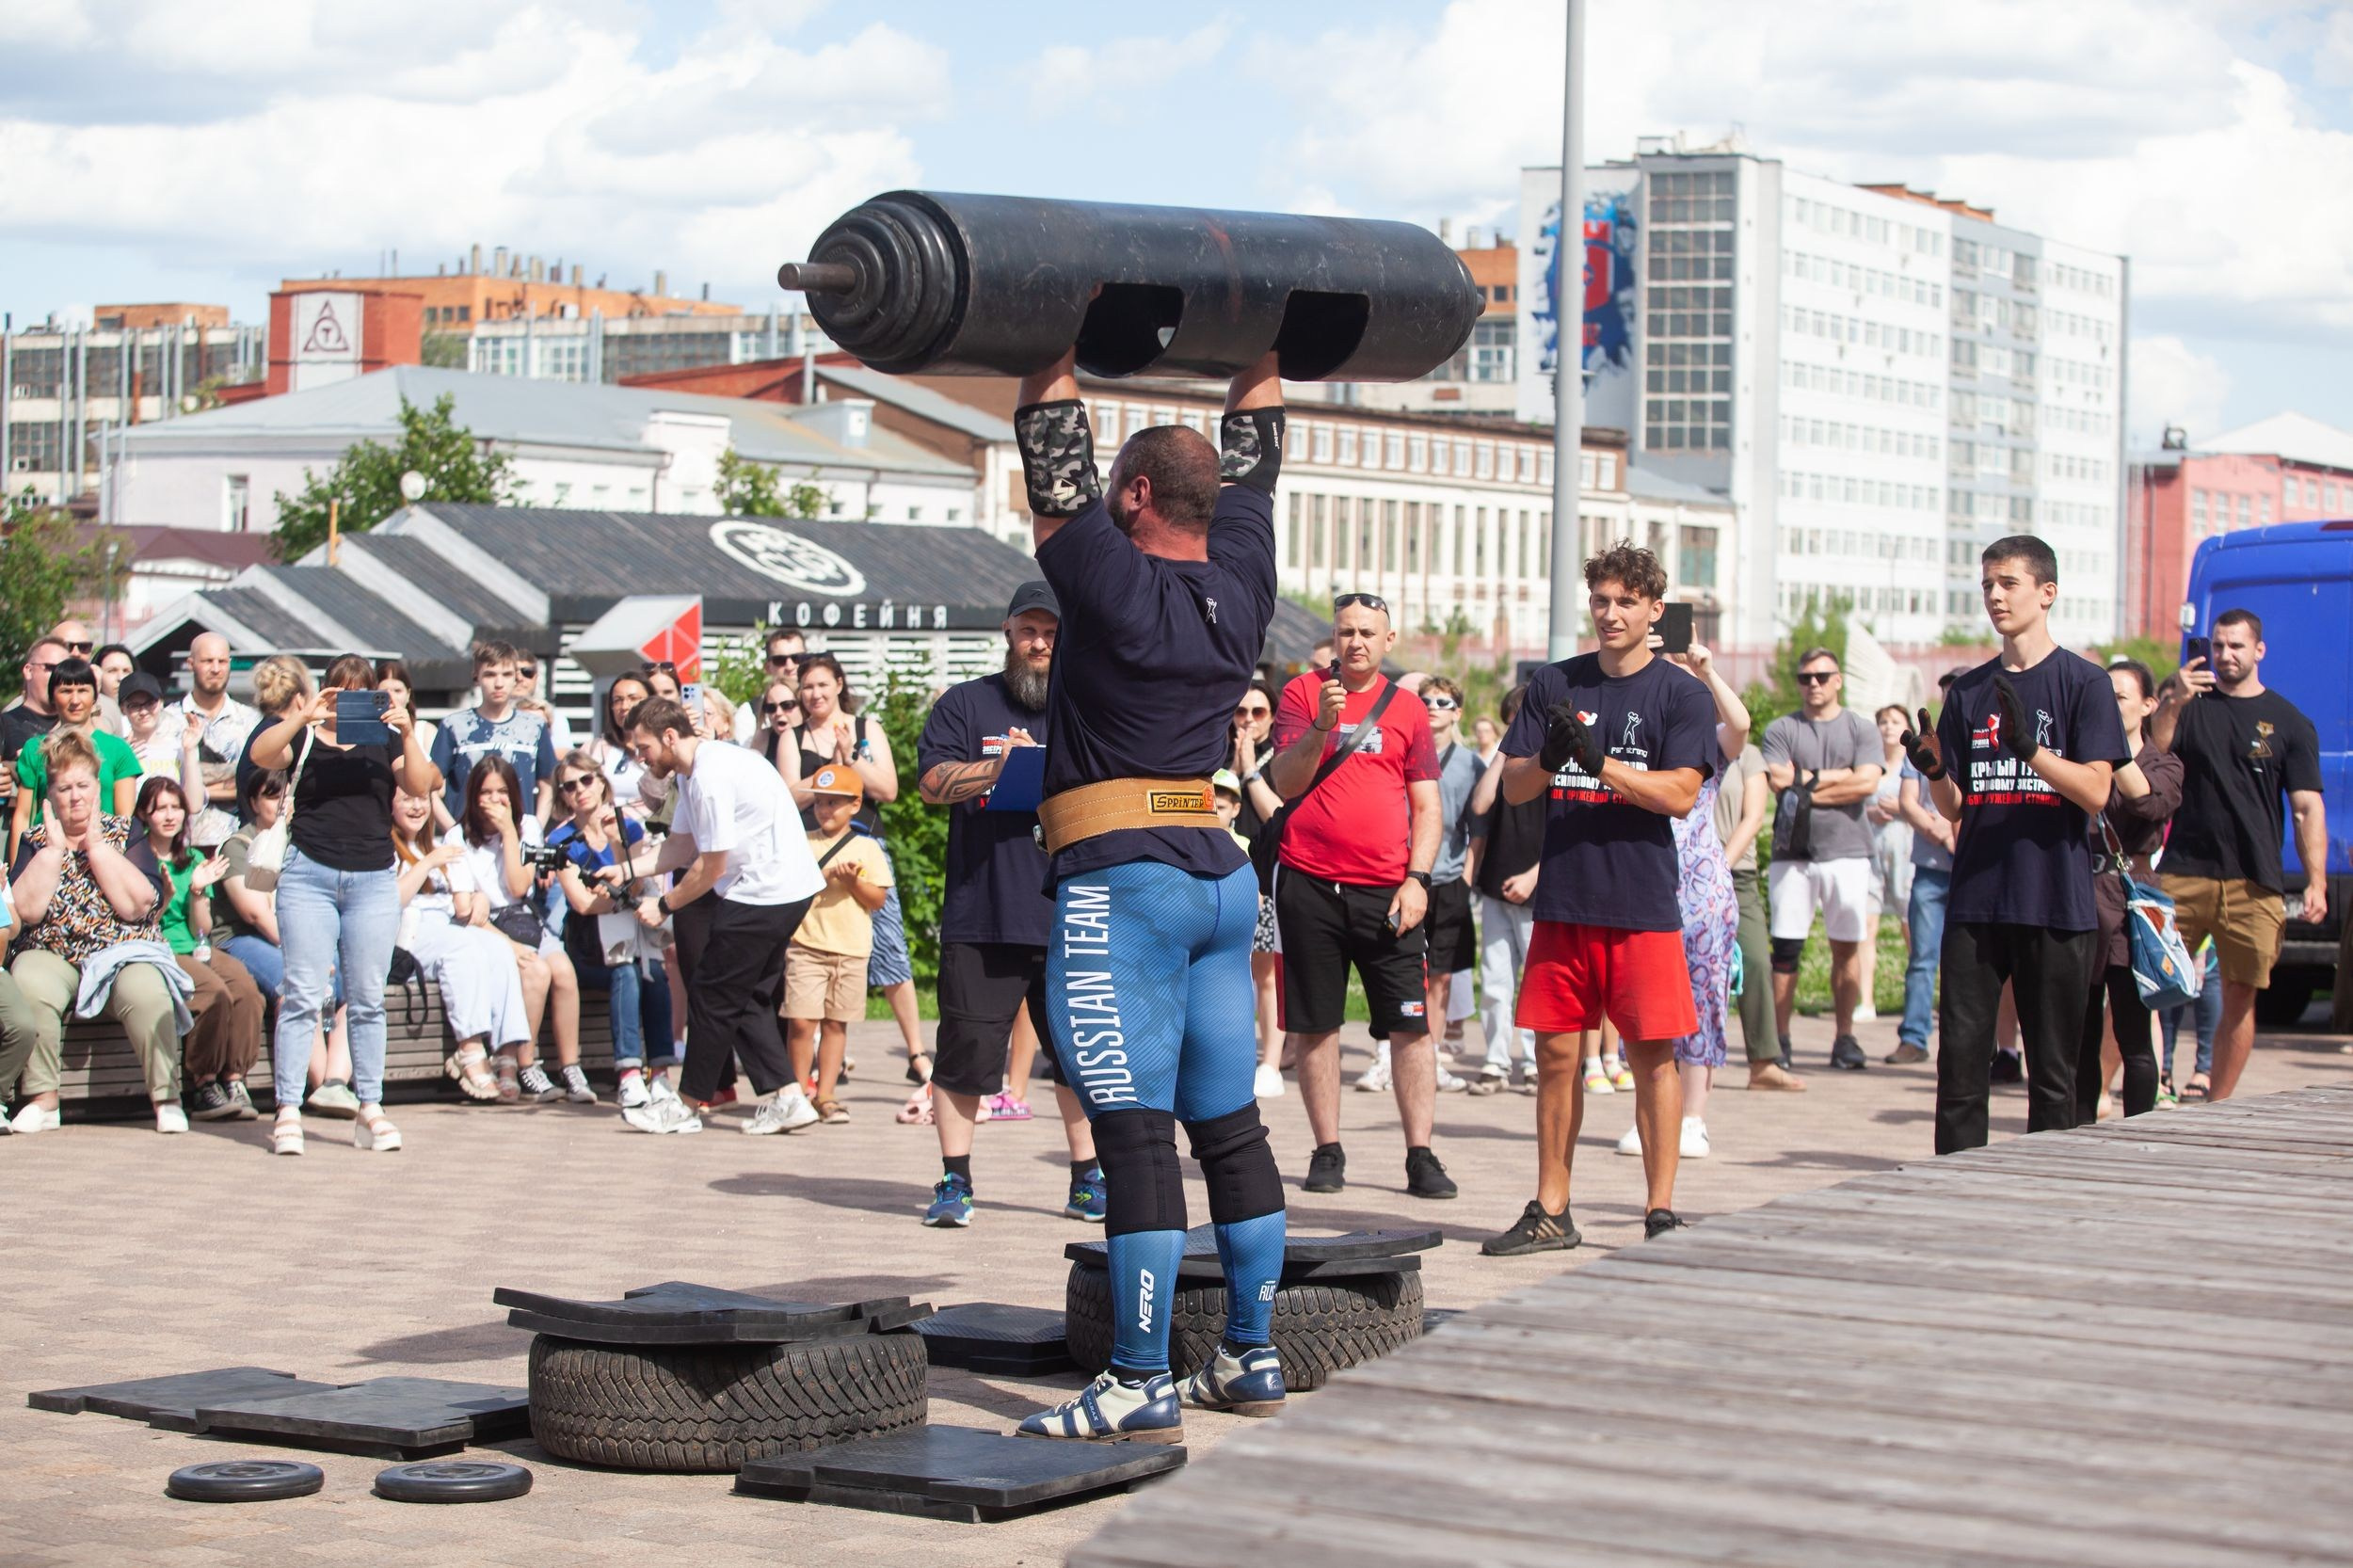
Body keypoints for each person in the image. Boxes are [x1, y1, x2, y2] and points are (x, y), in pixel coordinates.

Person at [1010, 345, 1290, 1442]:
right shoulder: (1245, 577)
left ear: (1135, 496)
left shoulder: (1114, 580)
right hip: (1217, 877)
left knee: (1131, 1137)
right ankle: (1251, 1353)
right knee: (1225, 1130)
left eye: (1114, 487)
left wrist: (1045, 339)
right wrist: (1263, 348)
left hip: (1122, 888)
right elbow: (1260, 462)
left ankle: (1136, 1377)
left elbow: (1051, 461)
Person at [1481, 543, 1716, 1256]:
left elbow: (1679, 794)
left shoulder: (1681, 694)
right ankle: (1552, 1207)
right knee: (1555, 1058)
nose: (1610, 614)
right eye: (1601, 601)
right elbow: (1515, 787)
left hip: (1641, 906)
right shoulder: (1557, 683)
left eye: (1625, 603)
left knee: (1651, 1060)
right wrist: (1551, 759)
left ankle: (1660, 1210)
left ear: (1654, 610)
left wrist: (1599, 763)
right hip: (1564, 905)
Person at [1901, 536, 2127, 1153]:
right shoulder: (1970, 691)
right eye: (1987, 586)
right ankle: (1956, 1192)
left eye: (2008, 584)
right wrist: (1936, 772)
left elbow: (2097, 792)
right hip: (1976, 900)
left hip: (2055, 901)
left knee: (2054, 1076)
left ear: (2047, 593)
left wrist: (2032, 752)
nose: (1995, 596)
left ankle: (2046, 1196)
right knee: (1960, 1073)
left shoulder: (2085, 684)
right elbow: (1956, 808)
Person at [913, 581, 1105, 1226]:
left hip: (1072, 911)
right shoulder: (967, 705)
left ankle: (1087, 1179)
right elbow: (933, 784)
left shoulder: (1087, 709)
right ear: (1007, 633)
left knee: (1081, 1055)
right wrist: (998, 769)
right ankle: (954, 1182)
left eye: (1051, 632)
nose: (1040, 642)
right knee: (965, 1054)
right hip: (983, 912)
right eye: (1029, 631)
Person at [1265, 594, 1450, 1201]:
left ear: (1389, 639)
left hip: (1388, 890)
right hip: (1310, 882)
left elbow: (1426, 804)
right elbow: (1286, 783)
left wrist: (1418, 879)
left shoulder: (1408, 711)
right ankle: (1327, 1149)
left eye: (1368, 633)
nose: (1356, 644)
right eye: (1346, 632)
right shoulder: (1302, 694)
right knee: (1316, 1026)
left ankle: (1420, 1153)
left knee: (1410, 1027)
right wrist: (1322, 723)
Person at [248, 654, 440, 1157]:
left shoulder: (384, 737)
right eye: (341, 691)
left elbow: (420, 785)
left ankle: (370, 1107)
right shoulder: (306, 732)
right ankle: (288, 1108)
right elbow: (262, 756)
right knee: (303, 994)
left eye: (362, 692)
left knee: (367, 998)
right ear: (326, 691)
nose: (348, 701)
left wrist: (407, 732)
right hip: (308, 873)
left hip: (373, 878)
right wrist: (303, 715)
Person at [616, 695, 823, 1136]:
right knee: (742, 995)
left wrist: (665, 904)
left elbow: (710, 867)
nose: (640, 757)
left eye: (644, 747)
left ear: (670, 736)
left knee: (710, 992)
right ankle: (787, 1098)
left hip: (766, 891)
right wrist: (623, 870)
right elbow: (679, 848)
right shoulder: (696, 772)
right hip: (780, 888)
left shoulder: (709, 775)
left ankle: (685, 1106)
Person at [2151, 608, 2330, 1101]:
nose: (2225, 655)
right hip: (2183, 873)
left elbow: (2307, 808)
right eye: (2219, 646)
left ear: (2259, 651)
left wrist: (2316, 881)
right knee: (2143, 983)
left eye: (2236, 646)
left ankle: (2217, 1106)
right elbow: (2156, 749)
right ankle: (2111, 1097)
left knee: (2240, 996)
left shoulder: (2291, 723)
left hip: (2254, 880)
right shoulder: (2190, 706)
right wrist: (2173, 700)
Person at [5, 730, 188, 1134]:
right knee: (29, 981)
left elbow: (138, 904)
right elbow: (27, 913)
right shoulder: (35, 840)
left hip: (120, 950)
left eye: (83, 786)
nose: (75, 797)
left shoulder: (126, 832)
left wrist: (98, 848)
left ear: (97, 786)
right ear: (49, 794)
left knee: (147, 990)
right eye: (64, 788)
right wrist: (53, 853)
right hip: (53, 950)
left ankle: (167, 1098)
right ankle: (43, 1100)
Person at [1616, 642, 1751, 1161]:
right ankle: (1649, 1116)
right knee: (1645, 1007)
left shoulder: (1702, 739)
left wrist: (1708, 673)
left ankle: (1693, 1118)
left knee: (1702, 1001)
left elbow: (1739, 728)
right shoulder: (1631, 730)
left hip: (1699, 891)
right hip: (1642, 882)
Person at [784, 655, 924, 1081]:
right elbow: (788, 795)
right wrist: (831, 777)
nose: (815, 694)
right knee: (807, 945)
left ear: (839, 684)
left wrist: (850, 759)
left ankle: (917, 1053)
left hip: (864, 847)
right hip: (810, 850)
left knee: (888, 944)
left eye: (823, 685)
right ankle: (811, 1067)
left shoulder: (866, 729)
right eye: (807, 687)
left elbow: (888, 788)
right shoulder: (794, 735)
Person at [1761, 648, 1882, 1072]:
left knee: (1846, 948)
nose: (1812, 683)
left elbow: (1866, 783)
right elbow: (1777, 781)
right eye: (1805, 677)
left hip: (1847, 852)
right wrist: (1838, 777)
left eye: (1821, 676)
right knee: (1786, 950)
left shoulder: (1861, 728)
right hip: (1791, 853)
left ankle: (1844, 1036)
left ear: (1838, 680)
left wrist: (1805, 784)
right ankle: (1781, 1039)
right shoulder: (1782, 728)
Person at [212, 766, 358, 1116]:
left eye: (286, 795)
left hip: (299, 938)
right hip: (242, 939)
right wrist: (309, 952)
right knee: (297, 984)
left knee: (353, 991)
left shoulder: (301, 843)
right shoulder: (238, 845)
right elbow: (254, 914)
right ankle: (321, 1084)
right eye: (271, 795)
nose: (280, 804)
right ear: (252, 801)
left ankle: (336, 1083)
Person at [2075, 660, 2184, 1121]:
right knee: (2078, 1032)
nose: (2110, 705)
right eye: (2104, 696)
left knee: (2134, 1032)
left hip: (2130, 901)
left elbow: (2149, 803)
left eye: (2119, 697)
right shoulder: (2080, 757)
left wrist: (2112, 753)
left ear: (2148, 704)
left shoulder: (2163, 762)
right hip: (2079, 894)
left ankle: (2139, 1128)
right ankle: (2075, 1129)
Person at [450, 755, 590, 1104]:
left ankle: (571, 1066)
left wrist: (510, 833)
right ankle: (525, 1063)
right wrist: (509, 946)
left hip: (524, 918)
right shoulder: (457, 836)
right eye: (486, 792)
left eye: (502, 792)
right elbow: (468, 910)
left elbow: (519, 885)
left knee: (563, 970)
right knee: (537, 971)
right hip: (485, 925)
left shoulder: (526, 826)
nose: (495, 800)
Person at [391, 782, 535, 1106]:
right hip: (409, 931)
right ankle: (469, 1051)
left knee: (497, 950)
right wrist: (427, 863)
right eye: (406, 800)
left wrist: (478, 899)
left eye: (422, 800)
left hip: (449, 925)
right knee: (462, 948)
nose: (416, 807)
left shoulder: (442, 845)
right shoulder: (384, 848)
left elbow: (462, 904)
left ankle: (506, 1053)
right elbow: (391, 903)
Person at [136, 776, 266, 1122]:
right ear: (144, 814)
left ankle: (234, 1078)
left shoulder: (192, 858)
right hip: (159, 947)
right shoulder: (137, 859)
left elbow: (202, 929)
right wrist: (164, 897)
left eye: (175, 807)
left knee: (246, 990)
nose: (169, 815)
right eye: (159, 808)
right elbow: (141, 922)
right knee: (213, 993)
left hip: (196, 945)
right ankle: (203, 1082)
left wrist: (196, 893)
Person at [548, 756, 674, 1111]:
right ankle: (629, 1074)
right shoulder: (562, 839)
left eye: (585, 781)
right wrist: (620, 895)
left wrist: (618, 847)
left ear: (601, 781)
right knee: (628, 972)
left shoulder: (626, 827)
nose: (580, 791)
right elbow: (583, 904)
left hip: (631, 939)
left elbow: (633, 885)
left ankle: (661, 1072)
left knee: (654, 975)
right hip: (590, 945)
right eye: (569, 786)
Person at [784, 765, 891, 1128]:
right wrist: (824, 876)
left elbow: (877, 900)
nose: (825, 810)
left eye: (834, 803)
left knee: (835, 1024)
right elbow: (788, 888)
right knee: (801, 1021)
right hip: (806, 945)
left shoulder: (867, 847)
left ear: (856, 805)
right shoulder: (802, 841)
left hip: (851, 949)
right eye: (819, 803)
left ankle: (826, 1093)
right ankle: (798, 1092)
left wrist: (853, 883)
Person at [1467, 686, 1543, 1095]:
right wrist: (1502, 752)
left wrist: (1535, 874)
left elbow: (1567, 831)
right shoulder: (1500, 765)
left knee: (1535, 981)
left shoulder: (1555, 764)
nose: (1519, 727)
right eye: (1513, 719)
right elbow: (1480, 806)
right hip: (1496, 886)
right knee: (1496, 981)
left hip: (1537, 891)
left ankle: (1532, 1063)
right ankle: (1495, 1061)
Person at [1891, 669, 1965, 1066]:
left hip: (1972, 871)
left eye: (1962, 694)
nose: (1954, 701)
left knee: (1972, 962)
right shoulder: (1925, 741)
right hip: (1932, 869)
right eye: (1948, 694)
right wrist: (1940, 829)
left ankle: (1976, 1044)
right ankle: (1914, 1037)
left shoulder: (1985, 742)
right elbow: (1908, 801)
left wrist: (1961, 832)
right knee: (1922, 957)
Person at [1715, 731, 1791, 1090]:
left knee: (1757, 960)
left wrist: (1718, 868)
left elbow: (1754, 817)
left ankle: (1763, 1062)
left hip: (1736, 874)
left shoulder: (1747, 755)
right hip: (1678, 874)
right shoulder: (1677, 742)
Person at [1419, 675, 1484, 1094]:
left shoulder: (1471, 763)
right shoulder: (1406, 750)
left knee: (1441, 975)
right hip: (1405, 876)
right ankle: (1388, 1055)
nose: (1432, 707)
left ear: (1457, 712)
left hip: (1449, 879)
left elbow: (1478, 827)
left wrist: (1466, 879)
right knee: (1402, 970)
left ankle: (1430, 1056)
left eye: (1443, 702)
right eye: (1426, 700)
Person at [12, 657, 141, 857]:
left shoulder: (118, 749)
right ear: (53, 696)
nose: (75, 700)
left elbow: (125, 818)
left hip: (102, 854)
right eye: (66, 691)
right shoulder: (36, 748)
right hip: (45, 852)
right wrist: (16, 874)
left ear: (95, 696)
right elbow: (23, 814)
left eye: (82, 691)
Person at [1226, 680, 1287, 1096]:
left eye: (1258, 712)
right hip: (1224, 873)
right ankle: (1233, 1053)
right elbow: (1209, 800)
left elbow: (1276, 814)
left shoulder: (1282, 757)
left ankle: (1271, 1061)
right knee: (1229, 971)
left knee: (1267, 973)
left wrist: (1250, 769)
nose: (1248, 720)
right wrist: (1233, 761)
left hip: (1266, 874)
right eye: (1241, 712)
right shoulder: (1216, 749)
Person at [431, 640, 558, 827]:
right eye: (490, 675)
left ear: (516, 677)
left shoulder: (535, 726)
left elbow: (548, 783)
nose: (499, 684)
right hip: (468, 841)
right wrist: (452, 831)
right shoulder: (454, 726)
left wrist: (535, 829)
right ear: (476, 677)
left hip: (518, 839)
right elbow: (429, 788)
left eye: (506, 675)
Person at [166, 632, 261, 851]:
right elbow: (169, 785)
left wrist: (198, 785)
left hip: (240, 843)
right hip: (183, 845)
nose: (216, 669)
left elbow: (255, 785)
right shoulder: (169, 720)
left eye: (222, 661)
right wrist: (230, 777)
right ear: (191, 664)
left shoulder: (251, 720)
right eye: (208, 661)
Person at [1862, 703, 1915, 1020]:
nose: (1889, 727)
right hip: (1871, 852)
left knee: (1911, 927)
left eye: (1895, 721)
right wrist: (1871, 812)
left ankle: (1919, 997)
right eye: (1883, 721)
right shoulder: (1870, 762)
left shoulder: (1915, 764)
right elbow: (1856, 801)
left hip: (1906, 852)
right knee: (1867, 926)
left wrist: (1901, 808)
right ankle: (1866, 1000)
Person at [47, 620, 124, 738]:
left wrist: (95, 701)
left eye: (84, 647)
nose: (76, 653)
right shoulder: (26, 706)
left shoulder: (109, 706)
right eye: (68, 646)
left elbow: (110, 752)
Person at [590, 672, 655, 811]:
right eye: (618, 700)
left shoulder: (665, 747)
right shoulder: (595, 748)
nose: (624, 706)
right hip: (608, 827)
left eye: (633, 698)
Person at [736, 628, 808, 744]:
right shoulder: (749, 713)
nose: (790, 667)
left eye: (797, 658)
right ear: (768, 667)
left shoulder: (820, 706)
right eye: (780, 660)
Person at [375, 661, 440, 774]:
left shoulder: (426, 731)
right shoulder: (370, 735)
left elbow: (438, 780)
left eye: (397, 691)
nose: (391, 698)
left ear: (408, 694)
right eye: (383, 693)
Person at [513, 652, 573, 753]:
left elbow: (563, 753)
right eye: (514, 673)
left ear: (536, 677)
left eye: (527, 672)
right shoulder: (496, 715)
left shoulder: (555, 717)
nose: (520, 678)